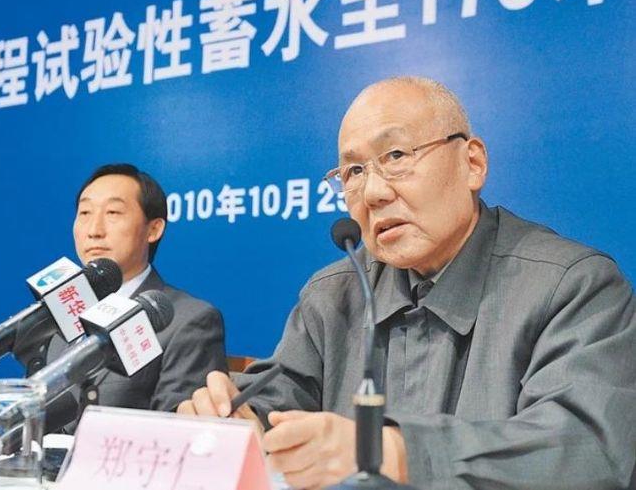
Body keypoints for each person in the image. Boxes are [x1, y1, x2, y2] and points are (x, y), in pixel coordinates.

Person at [178, 77, 636, 490]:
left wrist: (392, 452)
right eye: (354, 172)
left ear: (472, 163)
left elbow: (589, 450)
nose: (374, 193)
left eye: (396, 156)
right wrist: (234, 419)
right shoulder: (333, 294)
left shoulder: (571, 285)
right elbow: (275, 400)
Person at [16, 163, 228, 431]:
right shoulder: (60, 317)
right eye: (85, 213)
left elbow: (179, 433)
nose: (94, 230)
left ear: (154, 229)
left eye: (113, 213)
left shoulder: (190, 320)